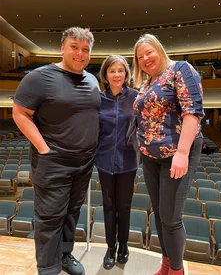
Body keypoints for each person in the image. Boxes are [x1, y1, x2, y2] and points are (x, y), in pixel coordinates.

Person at [12, 27, 101, 275]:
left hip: (84, 163)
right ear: (63, 47)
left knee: (71, 213)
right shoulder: (39, 77)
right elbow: (19, 113)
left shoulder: (92, 79)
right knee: (50, 218)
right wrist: (43, 148)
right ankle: (48, 268)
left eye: (85, 49)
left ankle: (64, 255)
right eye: (74, 47)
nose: (80, 54)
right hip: (54, 161)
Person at [133, 34, 204, 275]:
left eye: (149, 52)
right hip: (151, 157)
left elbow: (192, 111)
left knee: (171, 218)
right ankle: (165, 266)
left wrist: (182, 153)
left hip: (176, 153)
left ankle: (177, 271)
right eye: (140, 57)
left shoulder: (180, 69)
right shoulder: (147, 82)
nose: (145, 58)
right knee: (160, 215)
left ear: (159, 50)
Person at [95, 55, 138, 270]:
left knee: (125, 205)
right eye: (112, 70)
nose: (117, 74)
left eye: (121, 70)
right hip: (104, 160)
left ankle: (123, 245)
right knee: (109, 205)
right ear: (105, 74)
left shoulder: (135, 97)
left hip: (128, 160)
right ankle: (110, 248)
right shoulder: (99, 99)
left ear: (126, 74)